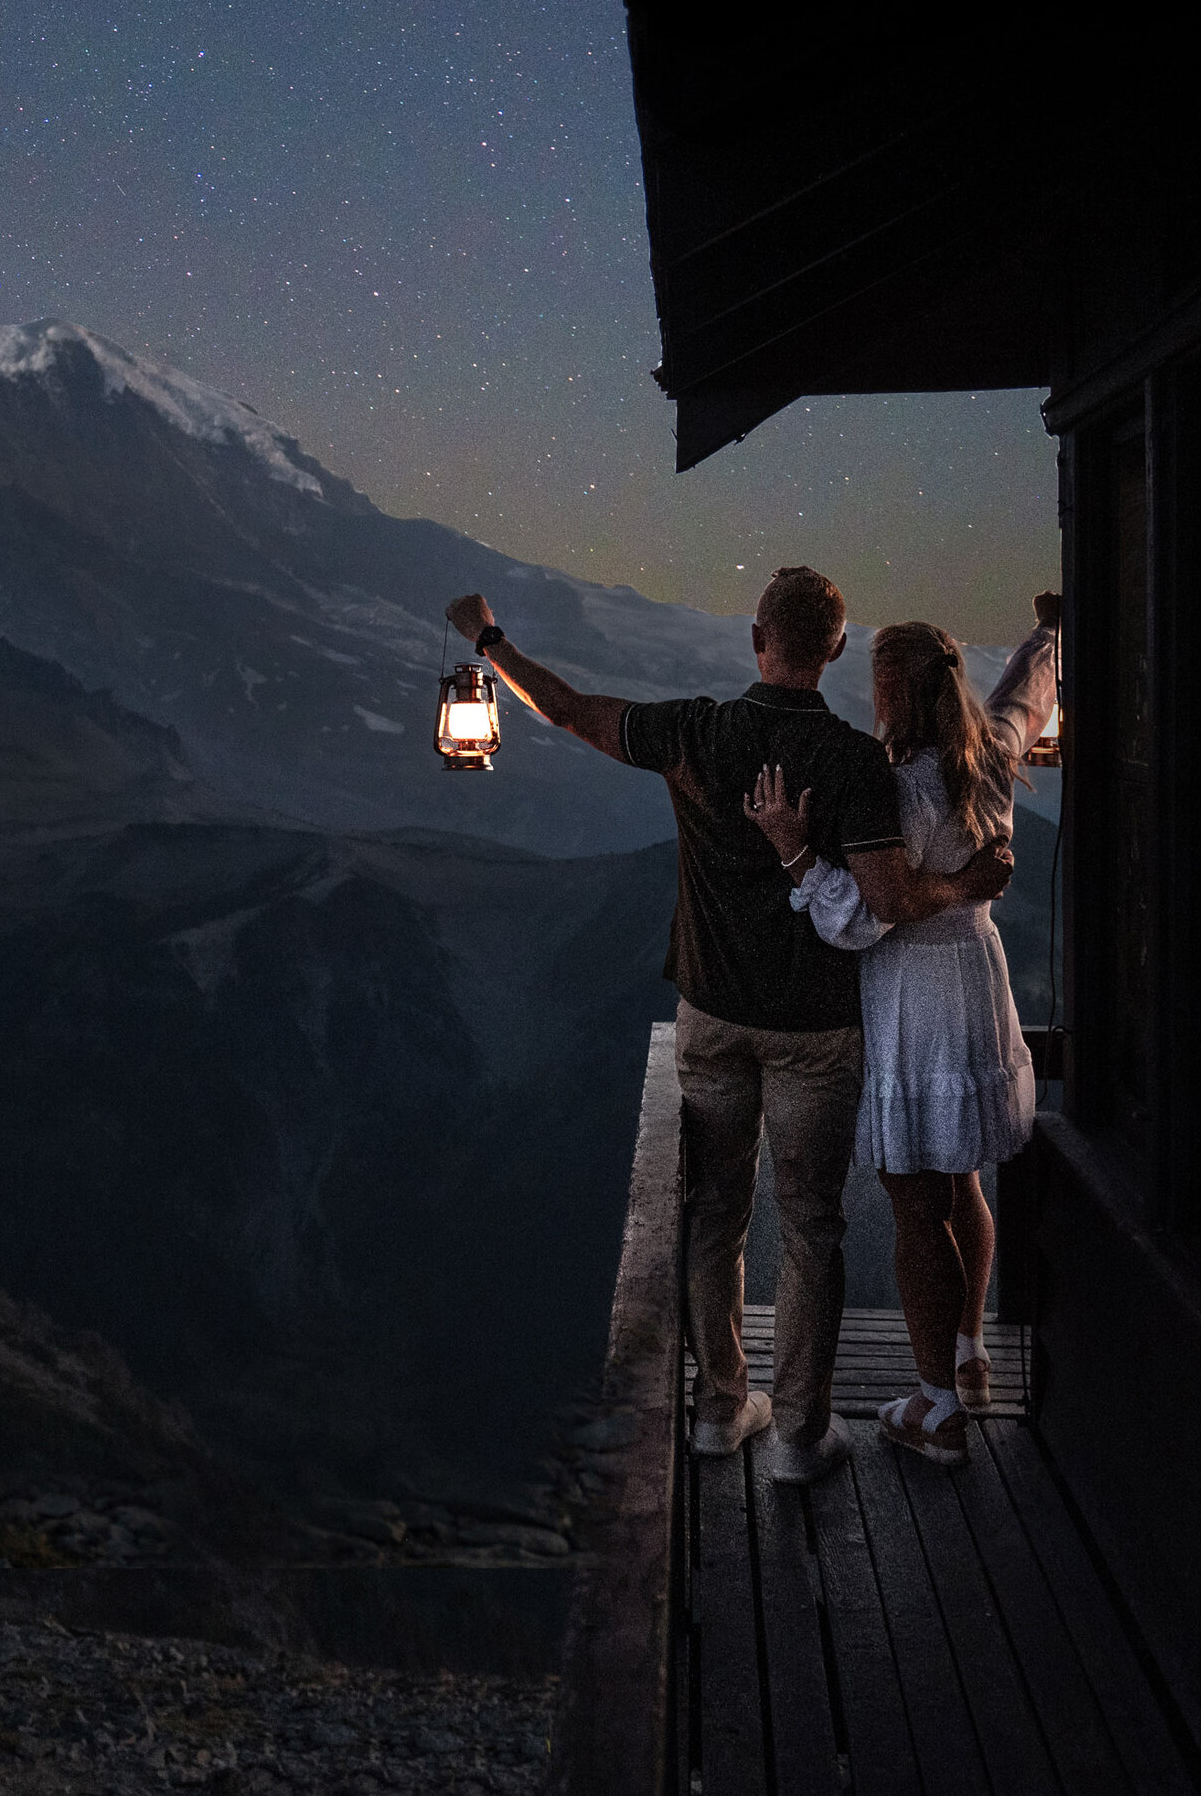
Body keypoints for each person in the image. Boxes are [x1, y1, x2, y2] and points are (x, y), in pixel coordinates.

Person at [443, 570, 1012, 1482]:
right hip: (816, 1032)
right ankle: (797, 1435)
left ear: (758, 638)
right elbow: (892, 899)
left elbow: (573, 713)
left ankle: (719, 1411)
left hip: (710, 1014)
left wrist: (490, 643)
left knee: (716, 1216)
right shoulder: (853, 763)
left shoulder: (696, 730)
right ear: (831, 650)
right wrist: (967, 883)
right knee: (812, 1228)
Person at [742, 592, 1060, 1469]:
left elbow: (860, 919)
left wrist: (795, 852)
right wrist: (1052, 630)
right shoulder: (990, 754)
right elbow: (1027, 694)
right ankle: (968, 1356)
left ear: (891, 690)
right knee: (962, 1182)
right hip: (977, 978)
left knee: (916, 1203)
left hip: (916, 993)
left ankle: (938, 1409)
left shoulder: (901, 786)